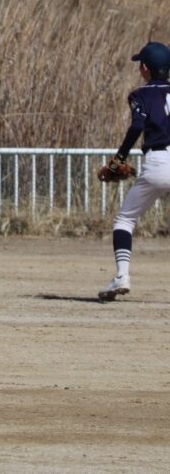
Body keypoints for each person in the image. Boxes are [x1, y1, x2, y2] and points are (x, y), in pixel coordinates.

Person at [99, 41, 170, 301]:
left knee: (124, 221)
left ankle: (122, 276)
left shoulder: (140, 94)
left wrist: (118, 159)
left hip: (158, 162)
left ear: (145, 68)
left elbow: (137, 125)